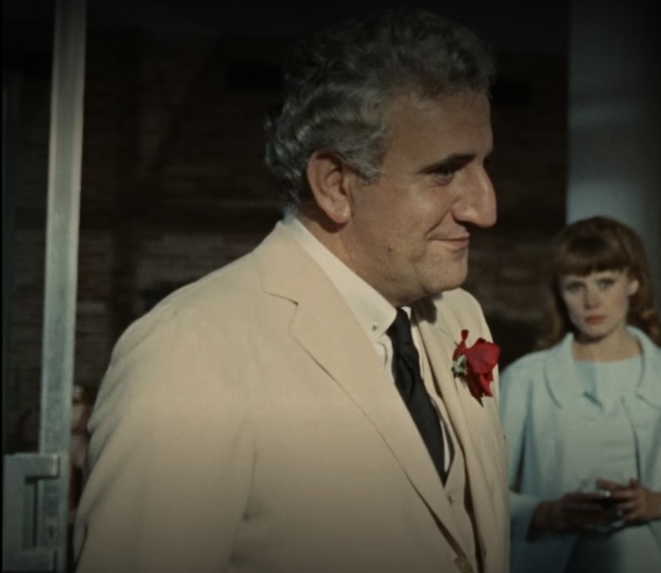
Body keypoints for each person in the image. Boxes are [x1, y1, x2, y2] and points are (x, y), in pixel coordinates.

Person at [74, 7, 507, 573]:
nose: (485, 207)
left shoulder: (459, 317)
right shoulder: (190, 353)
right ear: (335, 186)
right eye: (445, 172)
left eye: (482, 164)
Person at [499, 216, 661, 573]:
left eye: (605, 282)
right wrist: (546, 512)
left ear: (634, 282)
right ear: (560, 294)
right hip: (552, 561)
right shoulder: (524, 378)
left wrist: (656, 503)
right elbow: (486, 495)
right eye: (575, 286)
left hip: (647, 561)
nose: (591, 301)